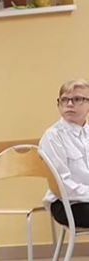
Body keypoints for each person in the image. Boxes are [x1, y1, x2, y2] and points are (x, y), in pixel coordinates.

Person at [39, 79, 89, 227]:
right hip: (66, 203)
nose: (69, 104)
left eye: (77, 99)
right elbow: (62, 185)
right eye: (64, 100)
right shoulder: (53, 136)